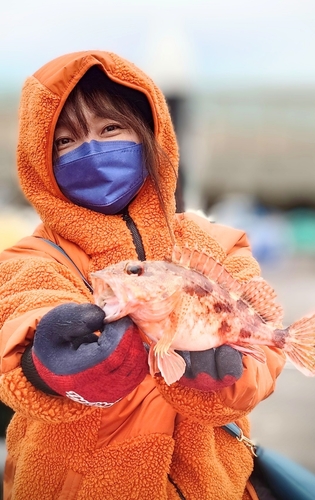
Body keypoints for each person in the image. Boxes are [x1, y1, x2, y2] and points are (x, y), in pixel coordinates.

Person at [0, 50, 285, 500]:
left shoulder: (220, 243)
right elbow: (19, 321)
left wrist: (230, 375)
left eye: (110, 128)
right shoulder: (30, 258)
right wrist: (47, 361)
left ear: (151, 136)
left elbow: (261, 356)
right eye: (66, 141)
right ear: (41, 162)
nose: (92, 150)